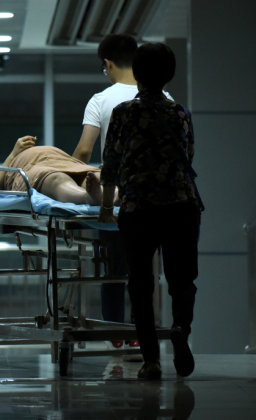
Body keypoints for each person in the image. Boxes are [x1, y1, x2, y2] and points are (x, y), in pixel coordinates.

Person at [99, 42, 202, 380]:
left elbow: (110, 164)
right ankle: (180, 328)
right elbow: (188, 156)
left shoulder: (124, 112)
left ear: (138, 75)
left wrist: (104, 207)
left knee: (141, 283)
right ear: (169, 75)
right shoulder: (180, 112)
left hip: (137, 206)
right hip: (180, 205)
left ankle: (151, 361)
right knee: (182, 278)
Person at [73, 34, 173, 356]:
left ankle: (114, 328)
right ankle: (139, 333)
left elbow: (85, 152)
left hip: (116, 199)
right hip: (158, 199)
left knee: (112, 266)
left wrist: (71, 183)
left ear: (107, 63)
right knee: (146, 270)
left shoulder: (101, 100)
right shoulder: (165, 97)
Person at [0, 138, 107, 206]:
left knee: (93, 176)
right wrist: (13, 154)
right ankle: (87, 198)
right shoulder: (10, 166)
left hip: (64, 160)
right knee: (57, 179)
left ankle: (115, 196)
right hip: (33, 167)